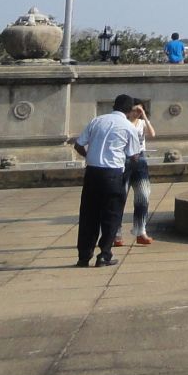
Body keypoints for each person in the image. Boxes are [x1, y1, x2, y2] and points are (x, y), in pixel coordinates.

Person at [70, 95, 146, 268]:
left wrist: (89, 155)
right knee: (111, 215)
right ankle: (104, 254)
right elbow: (134, 155)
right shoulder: (128, 127)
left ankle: (84, 256)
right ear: (129, 111)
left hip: (92, 172)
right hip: (112, 174)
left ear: (113, 106)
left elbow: (78, 144)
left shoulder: (97, 121)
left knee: (89, 215)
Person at [117, 102, 158, 247]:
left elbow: (152, 134)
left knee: (143, 194)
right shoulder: (124, 123)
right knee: (120, 196)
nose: (137, 113)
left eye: (139, 111)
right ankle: (116, 233)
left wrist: (145, 116)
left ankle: (141, 230)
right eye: (135, 110)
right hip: (125, 159)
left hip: (140, 159)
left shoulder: (141, 122)